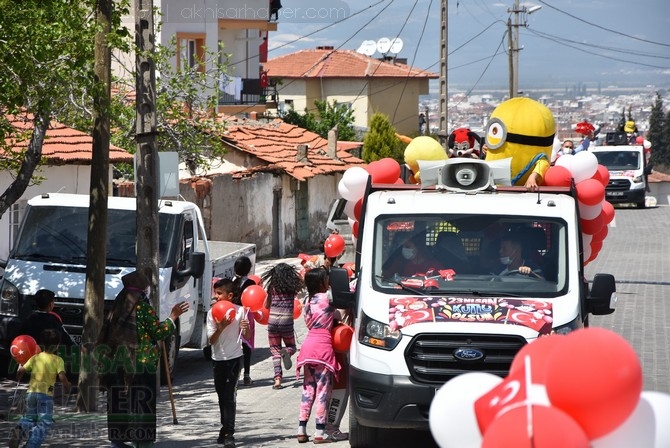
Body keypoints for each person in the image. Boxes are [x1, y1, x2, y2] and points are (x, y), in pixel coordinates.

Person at [97, 270, 189, 448]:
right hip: (141, 365)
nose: (146, 292)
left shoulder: (118, 307)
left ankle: (118, 441)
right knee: (142, 405)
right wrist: (173, 317)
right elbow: (158, 332)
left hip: (118, 362)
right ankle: (142, 442)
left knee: (119, 403)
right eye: (145, 289)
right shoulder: (143, 308)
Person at [295, 268, 342, 444]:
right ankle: (319, 433)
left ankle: (301, 430)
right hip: (323, 348)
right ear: (323, 283)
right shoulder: (328, 297)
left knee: (308, 390)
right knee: (323, 391)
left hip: (308, 348)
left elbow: (309, 322)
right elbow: (339, 311)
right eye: (327, 279)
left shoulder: (307, 301)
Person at [10, 328, 71, 448]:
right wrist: (67, 385)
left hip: (31, 394)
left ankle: (20, 427)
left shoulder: (35, 358)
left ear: (42, 344)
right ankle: (31, 446)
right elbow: (62, 376)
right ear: (57, 345)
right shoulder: (58, 360)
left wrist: (19, 372)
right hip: (46, 396)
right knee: (44, 424)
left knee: (29, 418)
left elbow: (21, 372)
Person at [208, 278, 251, 448]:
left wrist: (246, 328)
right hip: (218, 360)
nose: (216, 297)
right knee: (221, 396)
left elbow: (246, 337)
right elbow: (211, 341)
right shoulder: (212, 313)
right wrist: (221, 327)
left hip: (234, 358)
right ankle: (224, 428)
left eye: (220, 293)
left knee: (230, 396)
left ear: (230, 295)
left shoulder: (240, 312)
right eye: (215, 293)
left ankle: (229, 434)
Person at [261, 262, 304, 389]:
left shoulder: (272, 288)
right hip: (286, 322)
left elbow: (266, 306)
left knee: (275, 351)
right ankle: (287, 352)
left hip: (273, 322)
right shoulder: (292, 288)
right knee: (292, 346)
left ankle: (278, 380)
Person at [19, 289, 77, 375]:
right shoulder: (54, 320)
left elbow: (21, 337)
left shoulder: (29, 319)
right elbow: (65, 337)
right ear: (51, 304)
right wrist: (76, 347)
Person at [231, 256, 256, 386]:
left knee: (234, 344)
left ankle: (233, 374)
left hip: (233, 314)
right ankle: (246, 375)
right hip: (246, 315)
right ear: (248, 269)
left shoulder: (231, 282)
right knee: (247, 345)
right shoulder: (251, 284)